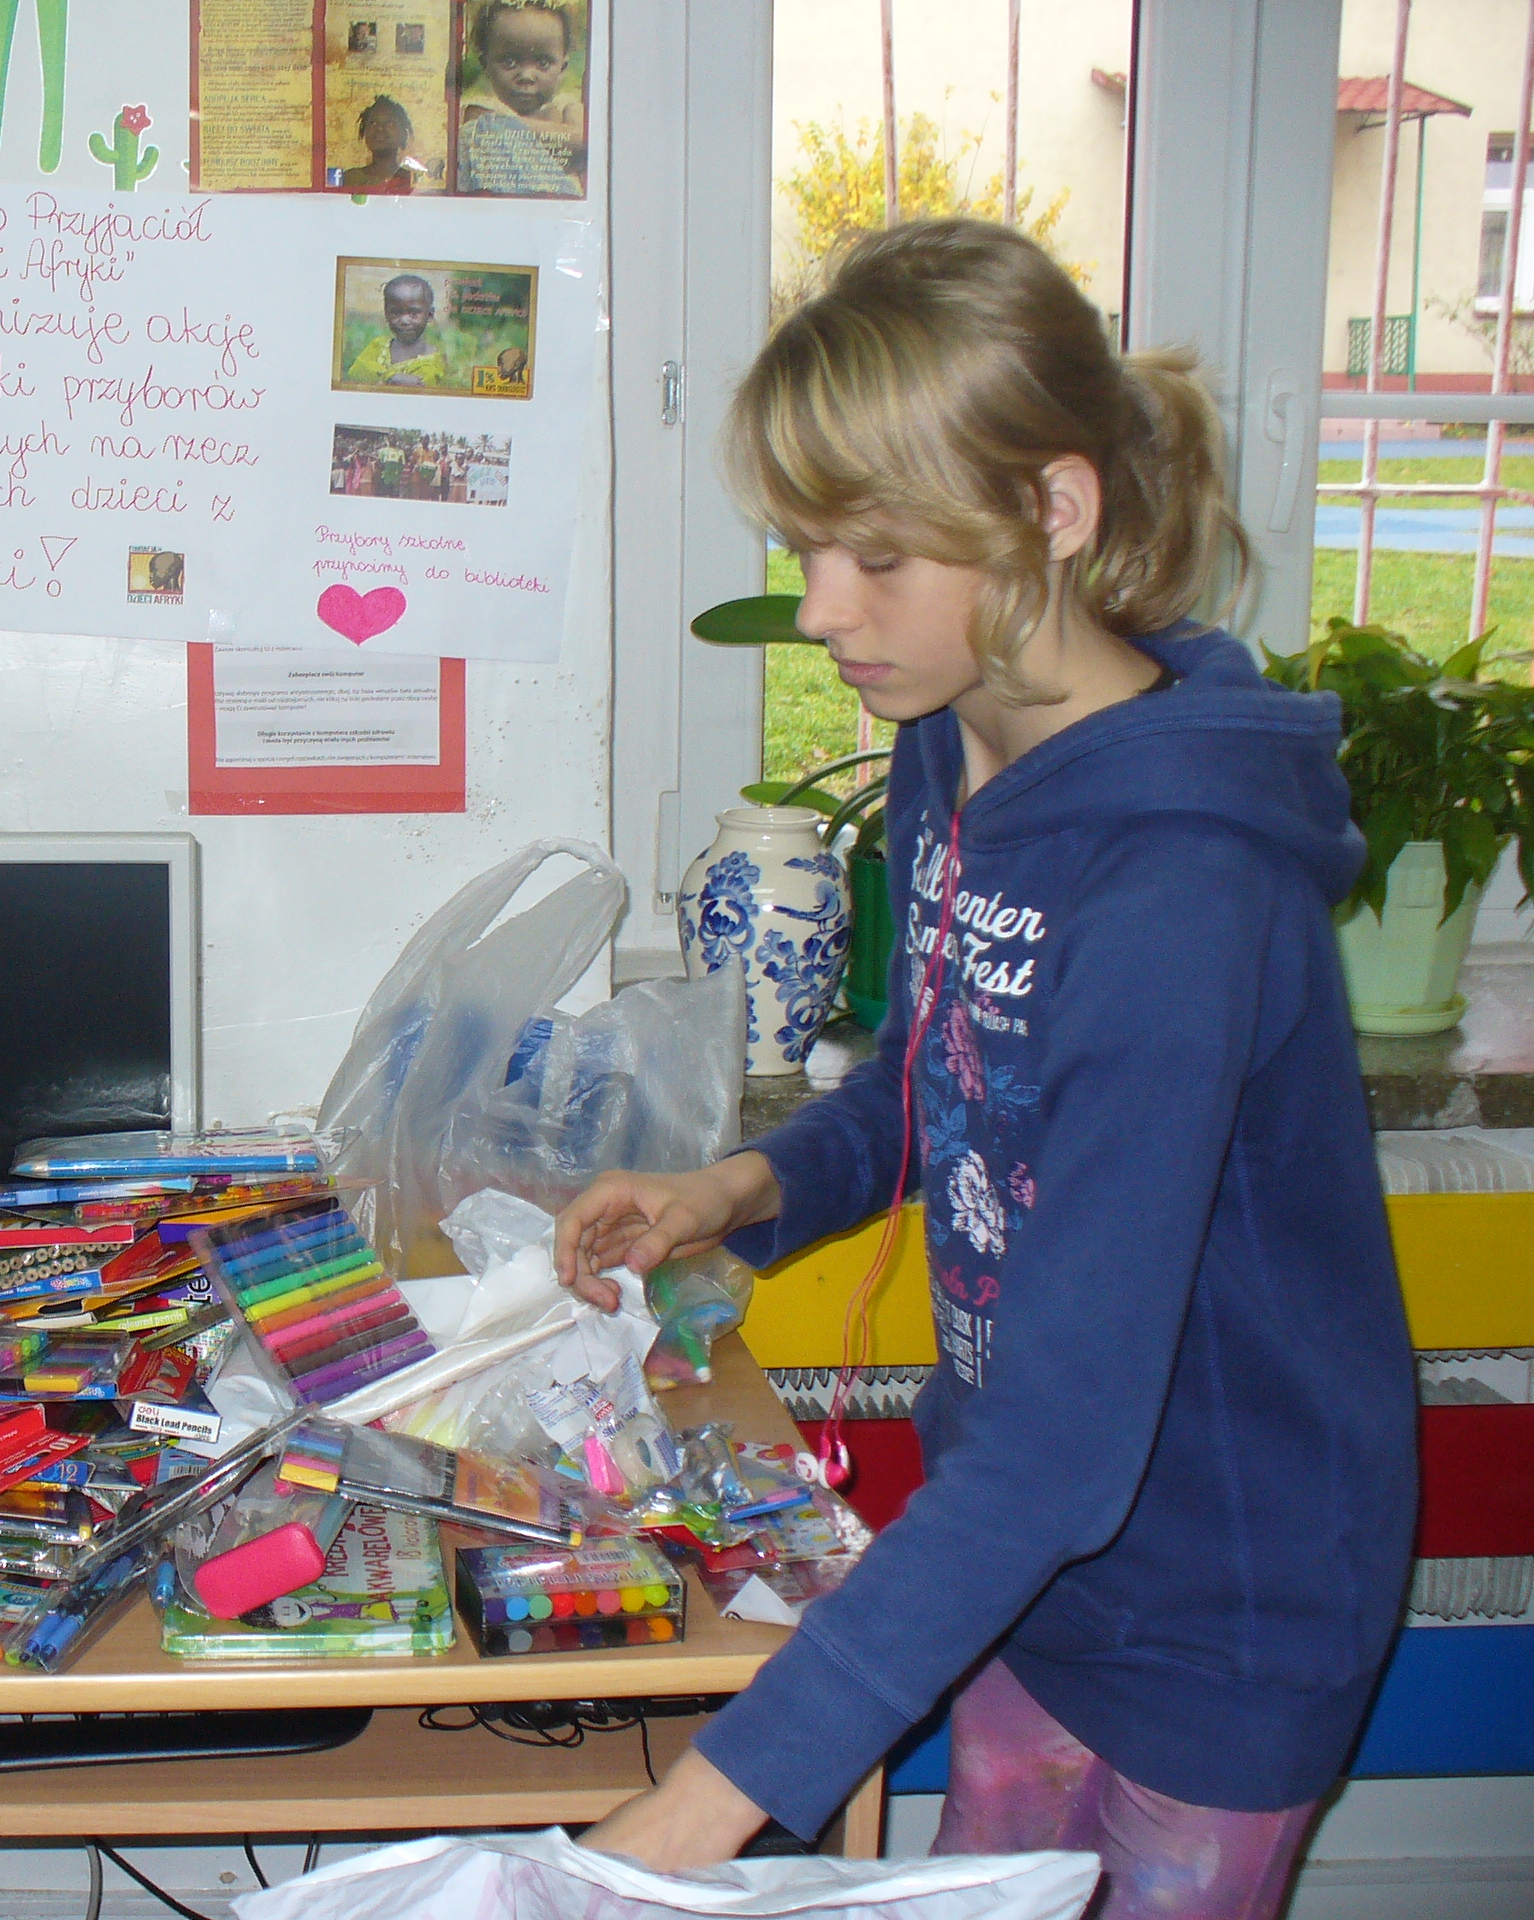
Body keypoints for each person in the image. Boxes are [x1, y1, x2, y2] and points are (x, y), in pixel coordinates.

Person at [556, 221, 1413, 1917]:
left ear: (1055, 512)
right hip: (1029, 1562)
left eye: (878, 555)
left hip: (1221, 1602)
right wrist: (737, 1187)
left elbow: (1067, 1443)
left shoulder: (1181, 886)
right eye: (805, 548)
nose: (823, 611)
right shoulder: (956, 747)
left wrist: (684, 1823)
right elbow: (942, 1075)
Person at [457, 1, 584, 196]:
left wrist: (510, 128)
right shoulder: (482, 108)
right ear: (486, 65)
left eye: (543, 63)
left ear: (562, 68)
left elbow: (584, 143)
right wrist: (555, 132)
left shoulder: (566, 105)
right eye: (509, 62)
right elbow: (482, 130)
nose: (526, 76)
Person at [343, 272, 448, 389]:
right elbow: (357, 372)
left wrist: (383, 377)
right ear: (386, 314)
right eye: (396, 313)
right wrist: (393, 377)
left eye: (413, 313)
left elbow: (422, 387)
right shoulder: (378, 347)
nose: (404, 320)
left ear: (429, 315)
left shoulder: (434, 360)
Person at [339, 94, 419, 195]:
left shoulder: (413, 181)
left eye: (389, 123)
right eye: (373, 123)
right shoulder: (349, 179)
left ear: (403, 134)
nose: (380, 128)